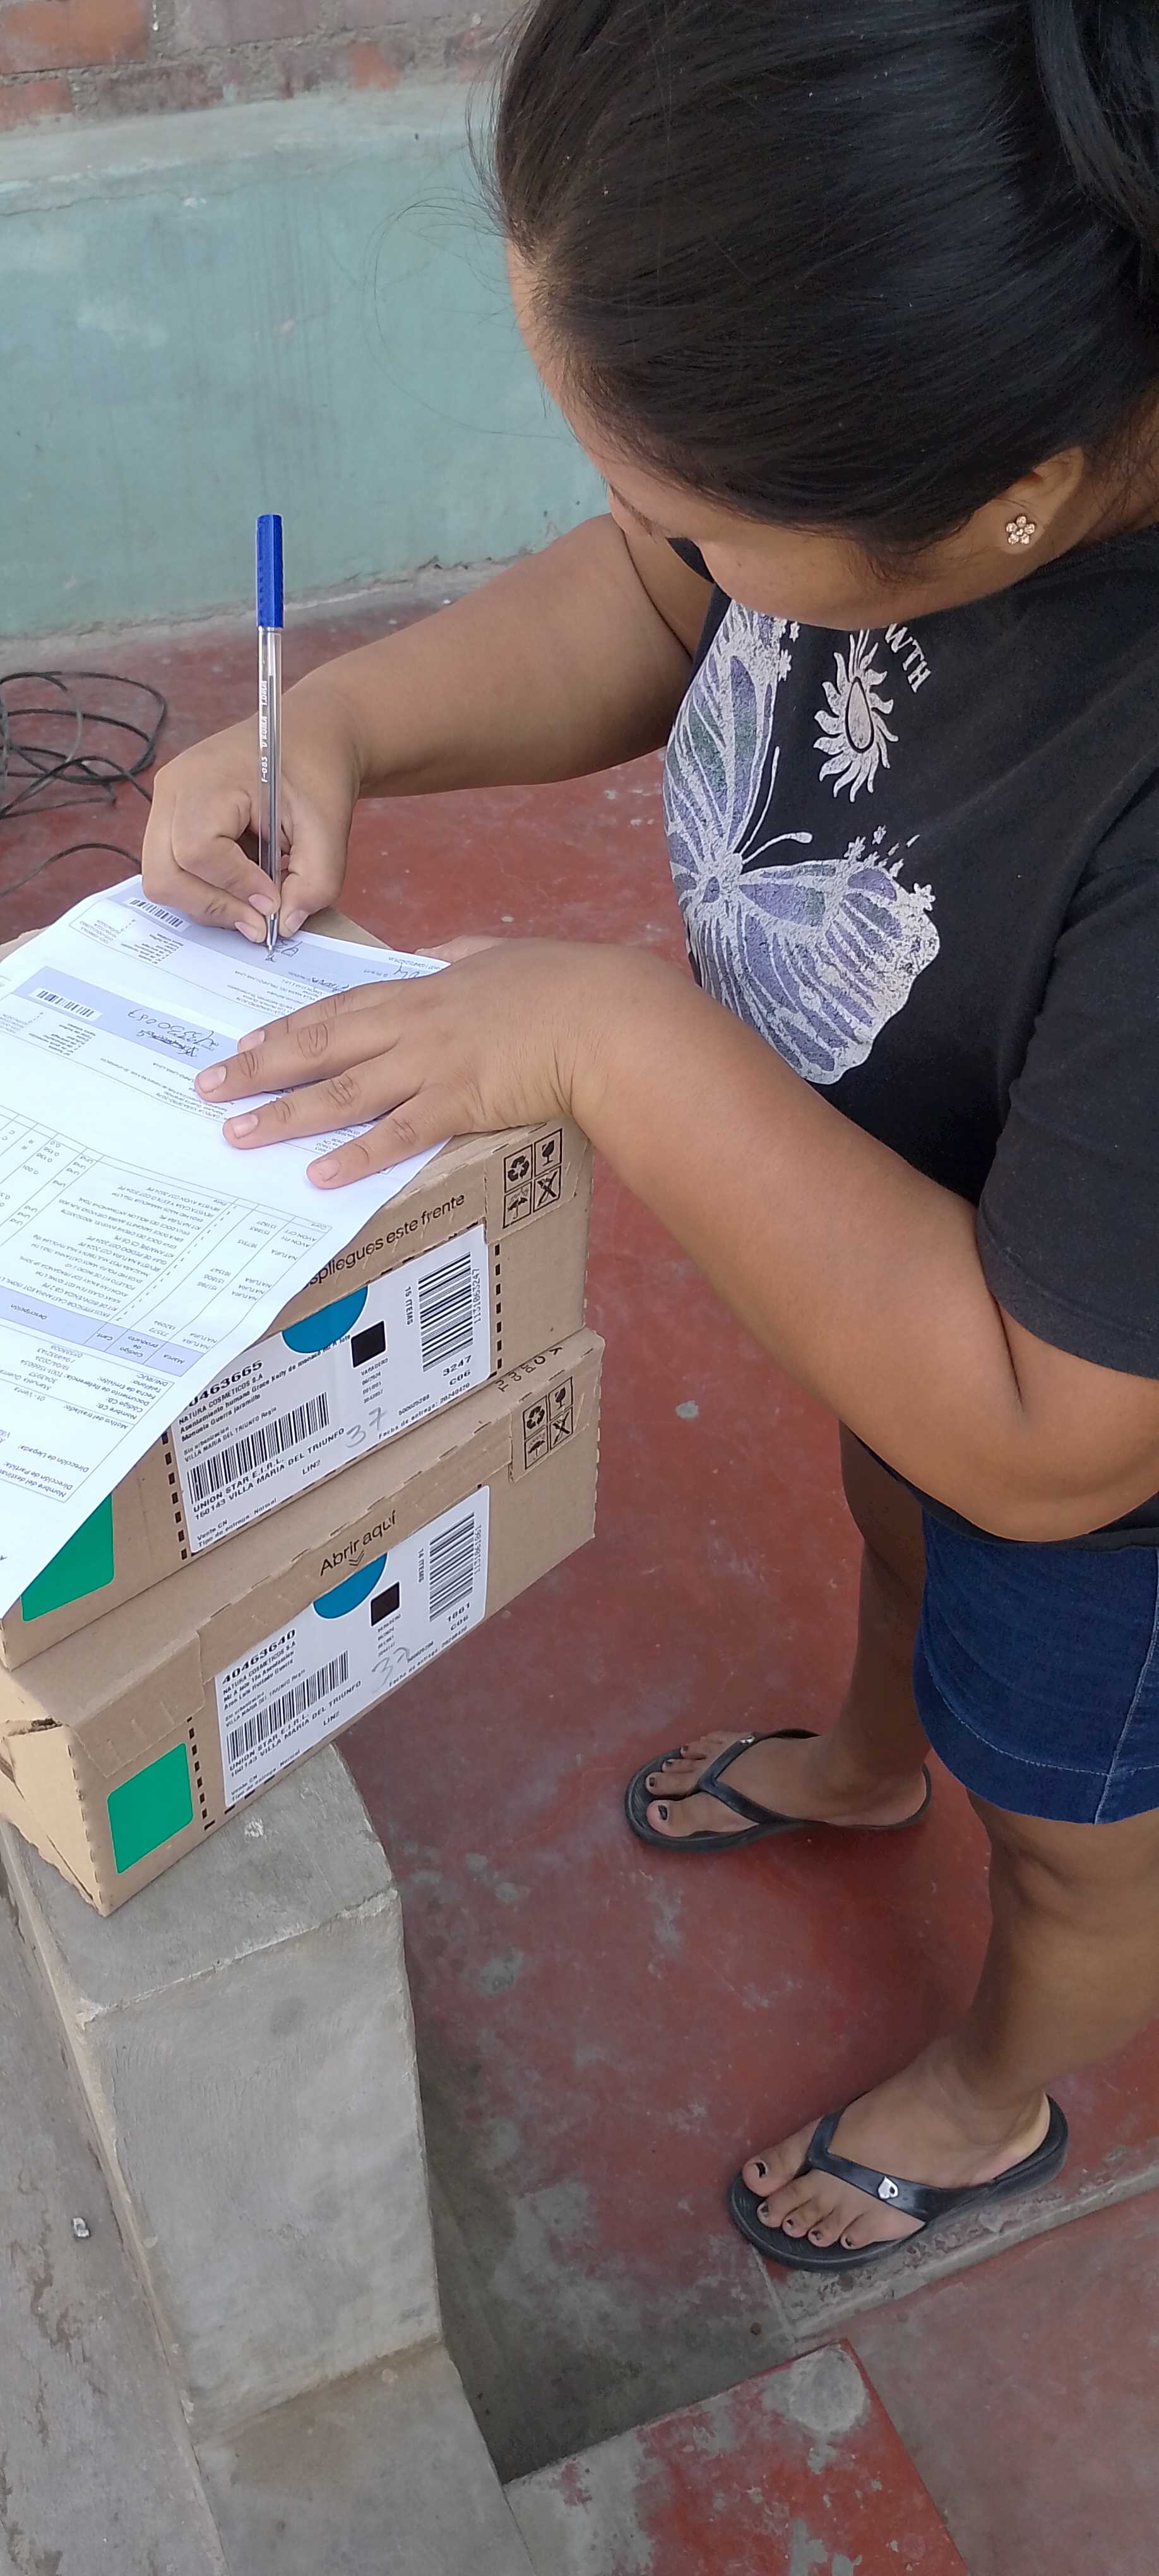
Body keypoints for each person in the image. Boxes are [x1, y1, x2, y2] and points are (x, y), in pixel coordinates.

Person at [143, 0, 1159, 2271]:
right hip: (929, 1252)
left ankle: (990, 2090)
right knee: (888, 1518)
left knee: (1080, 1825)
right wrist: (347, 728)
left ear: (1000, 503)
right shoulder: (936, 415)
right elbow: (643, 596)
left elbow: (1045, 1439)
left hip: (1107, 1473)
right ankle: (871, 1757)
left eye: (696, 510)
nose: (652, 545)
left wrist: (612, 1039)